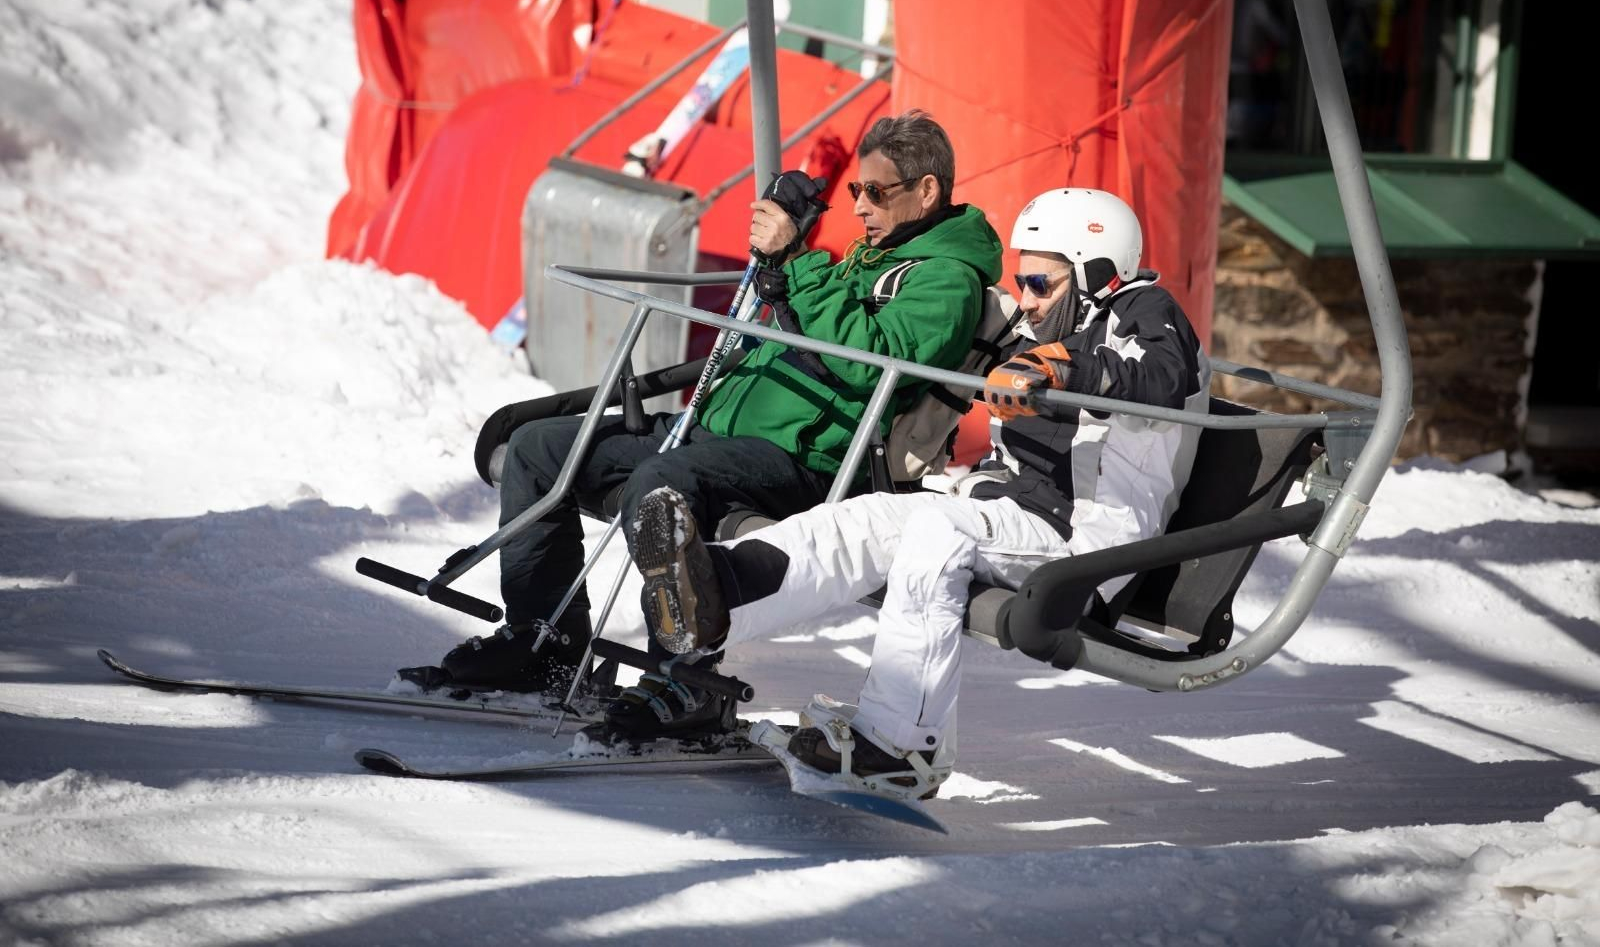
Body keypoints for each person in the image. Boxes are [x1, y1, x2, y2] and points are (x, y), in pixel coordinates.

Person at [417, 111, 1004, 742]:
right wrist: (787, 267)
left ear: (927, 191)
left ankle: (687, 680)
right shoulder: (868, 259)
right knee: (541, 449)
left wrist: (798, 264)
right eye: (856, 191)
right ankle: (546, 643)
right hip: (725, 433)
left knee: (662, 483)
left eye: (876, 192)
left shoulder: (947, 278)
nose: (859, 206)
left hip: (812, 465)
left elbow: (870, 360)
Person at [631, 187, 1211, 793]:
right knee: (870, 517)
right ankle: (715, 596)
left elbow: (1164, 376)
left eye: (1042, 284)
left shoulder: (1145, 312)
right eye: (1022, 283)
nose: (1028, 302)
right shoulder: (1059, 331)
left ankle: (904, 746)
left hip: (1088, 546)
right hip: (1021, 518)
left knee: (938, 532)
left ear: (1099, 274)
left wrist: (1062, 369)